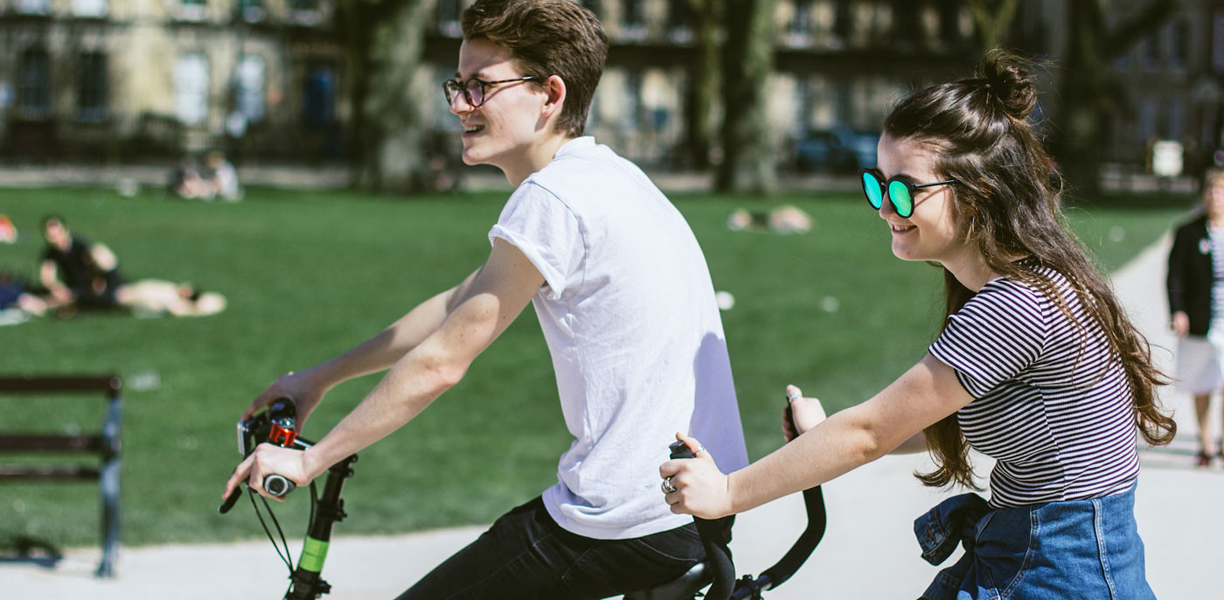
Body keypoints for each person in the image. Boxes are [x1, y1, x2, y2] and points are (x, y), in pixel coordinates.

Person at [223, 1, 748, 598]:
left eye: (481, 88)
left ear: (549, 95)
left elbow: (443, 362)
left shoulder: (554, 197)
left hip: (626, 518)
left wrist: (307, 463)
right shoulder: (608, 176)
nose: (459, 106)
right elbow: (463, 302)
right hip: (687, 505)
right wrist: (320, 378)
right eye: (457, 85)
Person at [660, 50, 1176, 600]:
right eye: (877, 184)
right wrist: (820, 437)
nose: (885, 207)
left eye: (904, 188)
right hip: (1040, 549)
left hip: (1061, 568)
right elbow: (927, 420)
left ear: (977, 193)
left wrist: (728, 491)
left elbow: (869, 432)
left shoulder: (1017, 306)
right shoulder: (1022, 285)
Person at [1166, 167, 1224, 467]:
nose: (1214, 196)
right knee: (1203, 384)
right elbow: (1175, 274)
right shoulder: (1189, 232)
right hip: (1203, 321)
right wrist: (1178, 310)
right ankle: (1205, 445)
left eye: (1220, 191)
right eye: (1210, 190)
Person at [39, 215, 124, 310]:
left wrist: (97, 281)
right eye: (51, 236)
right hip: (73, 289)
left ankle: (115, 287)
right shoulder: (50, 254)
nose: (56, 239)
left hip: (91, 285)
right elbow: (48, 278)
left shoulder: (79, 246)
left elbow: (93, 264)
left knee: (100, 251)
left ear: (66, 230)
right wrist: (58, 289)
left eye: (58, 233)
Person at [115, 279, 227, 317]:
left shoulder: (175, 304)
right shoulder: (171, 288)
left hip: (125, 298)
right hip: (128, 290)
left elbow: (219, 301)